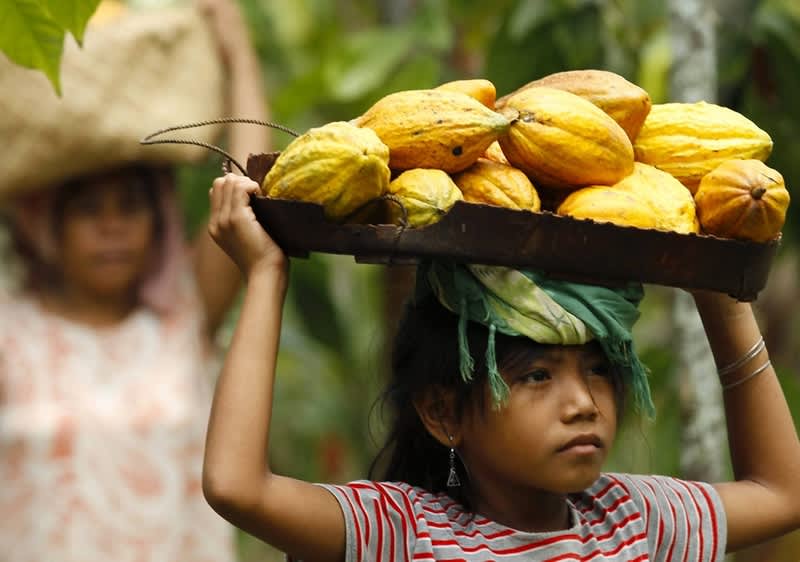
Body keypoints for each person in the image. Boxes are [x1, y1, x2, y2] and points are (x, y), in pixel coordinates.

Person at [201, 174, 800, 561]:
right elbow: (237, 487)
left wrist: (721, 297)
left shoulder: (633, 521)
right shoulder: (407, 534)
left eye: (597, 369)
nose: (583, 403)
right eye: (537, 376)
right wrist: (265, 275)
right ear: (442, 412)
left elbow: (783, 493)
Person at [0, 0, 269, 560]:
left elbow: (250, 191)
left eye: (131, 206)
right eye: (87, 210)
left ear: (159, 221)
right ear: (46, 226)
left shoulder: (184, 316)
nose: (112, 228)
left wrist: (236, 50)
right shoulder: (8, 334)